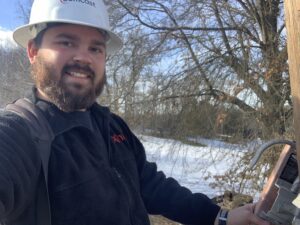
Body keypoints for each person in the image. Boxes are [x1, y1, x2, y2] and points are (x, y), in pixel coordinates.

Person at [0, 0, 270, 224]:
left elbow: (153, 187)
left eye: (95, 47)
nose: (83, 56)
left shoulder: (112, 127)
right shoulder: (19, 133)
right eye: (66, 42)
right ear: (33, 51)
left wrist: (220, 218)